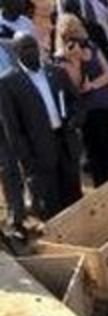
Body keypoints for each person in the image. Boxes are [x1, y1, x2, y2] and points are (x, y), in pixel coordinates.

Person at [0, 32, 82, 220]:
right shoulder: (7, 84)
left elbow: (75, 101)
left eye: (33, 46)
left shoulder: (56, 72)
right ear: (16, 52)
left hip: (66, 144)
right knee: (51, 206)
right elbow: (12, 129)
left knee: (74, 197)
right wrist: (28, 161)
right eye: (25, 48)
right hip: (39, 154)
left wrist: (75, 119)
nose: (30, 51)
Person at [56, 13, 108, 185]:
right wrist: (76, 61)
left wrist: (93, 85)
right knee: (98, 155)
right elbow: (75, 87)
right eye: (68, 34)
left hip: (107, 104)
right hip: (90, 112)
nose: (74, 37)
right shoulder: (61, 58)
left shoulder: (92, 46)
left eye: (75, 31)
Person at [0, 39, 27, 240]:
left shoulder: (10, 46)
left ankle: (38, 205)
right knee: (8, 167)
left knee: (31, 160)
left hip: (22, 114)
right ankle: (16, 216)